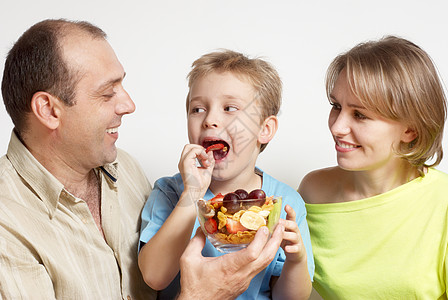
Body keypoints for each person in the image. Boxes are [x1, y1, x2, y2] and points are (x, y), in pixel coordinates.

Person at [138, 49, 314, 299]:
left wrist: (296, 260)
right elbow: (154, 276)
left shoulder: (285, 202)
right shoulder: (169, 192)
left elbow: (289, 298)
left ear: (265, 129)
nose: (210, 120)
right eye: (198, 109)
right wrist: (192, 194)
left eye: (230, 108)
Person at [0, 18, 156, 299]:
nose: (129, 105)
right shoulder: (6, 223)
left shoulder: (128, 169)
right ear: (48, 110)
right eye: (108, 93)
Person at [299, 36, 448, 298]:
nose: (337, 127)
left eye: (360, 114)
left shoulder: (442, 202)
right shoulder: (313, 192)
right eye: (336, 106)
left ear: (410, 129)